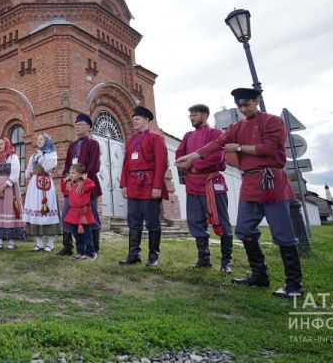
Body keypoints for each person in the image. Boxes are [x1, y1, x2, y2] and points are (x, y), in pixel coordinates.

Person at [176, 88, 304, 298]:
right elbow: (217, 144)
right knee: (244, 230)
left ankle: (294, 284)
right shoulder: (237, 126)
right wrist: (193, 156)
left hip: (272, 180)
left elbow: (270, 148)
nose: (244, 109)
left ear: (257, 101)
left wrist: (240, 148)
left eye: (247, 104)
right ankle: (259, 275)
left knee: (283, 234)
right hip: (250, 182)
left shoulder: (273, 121)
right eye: (240, 105)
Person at [175, 104, 234, 273]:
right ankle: (204, 258)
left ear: (205, 115)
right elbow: (179, 154)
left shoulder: (215, 133)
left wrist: (194, 164)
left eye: (195, 115)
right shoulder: (188, 136)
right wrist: (186, 165)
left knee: (221, 220)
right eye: (190, 115)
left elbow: (217, 156)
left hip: (211, 183)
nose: (192, 118)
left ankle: (226, 262)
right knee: (195, 221)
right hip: (193, 186)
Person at [118, 106, 168, 267]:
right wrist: (124, 184)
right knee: (133, 221)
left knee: (152, 222)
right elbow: (125, 164)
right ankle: (133, 255)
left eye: (137, 119)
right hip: (133, 184)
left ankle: (153, 256)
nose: (134, 121)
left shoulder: (156, 138)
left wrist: (157, 186)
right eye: (133, 119)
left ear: (147, 120)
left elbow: (161, 163)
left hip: (149, 183)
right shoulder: (130, 140)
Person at [59, 113, 102, 256]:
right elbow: (67, 167)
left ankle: (93, 248)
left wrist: (83, 181)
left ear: (88, 127)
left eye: (81, 124)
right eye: (75, 125)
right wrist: (68, 180)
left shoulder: (93, 144)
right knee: (67, 214)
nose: (77, 127)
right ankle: (68, 246)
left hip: (87, 186)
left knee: (91, 215)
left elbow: (94, 166)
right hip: (71, 187)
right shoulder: (72, 146)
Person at [23, 132, 61, 251]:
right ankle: (38, 243)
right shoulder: (33, 156)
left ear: (47, 141)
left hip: (46, 186)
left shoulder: (52, 154)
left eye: (41, 139)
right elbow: (28, 170)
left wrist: (41, 157)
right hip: (34, 186)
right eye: (38, 139)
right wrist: (28, 173)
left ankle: (50, 243)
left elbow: (47, 168)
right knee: (35, 210)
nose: (38, 141)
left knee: (47, 210)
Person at [0, 136, 26, 249]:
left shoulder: (13, 157)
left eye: (1, 144)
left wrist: (3, 186)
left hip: (10, 188)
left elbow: (15, 174)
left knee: (10, 210)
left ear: (6, 145)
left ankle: (11, 240)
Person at [61, 163, 97, 261]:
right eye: (70, 173)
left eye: (73, 173)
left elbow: (92, 185)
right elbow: (63, 189)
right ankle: (80, 252)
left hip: (83, 214)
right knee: (77, 235)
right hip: (73, 213)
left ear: (80, 174)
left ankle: (90, 253)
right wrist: (66, 180)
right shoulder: (71, 185)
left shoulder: (84, 185)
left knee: (87, 234)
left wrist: (85, 179)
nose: (71, 175)